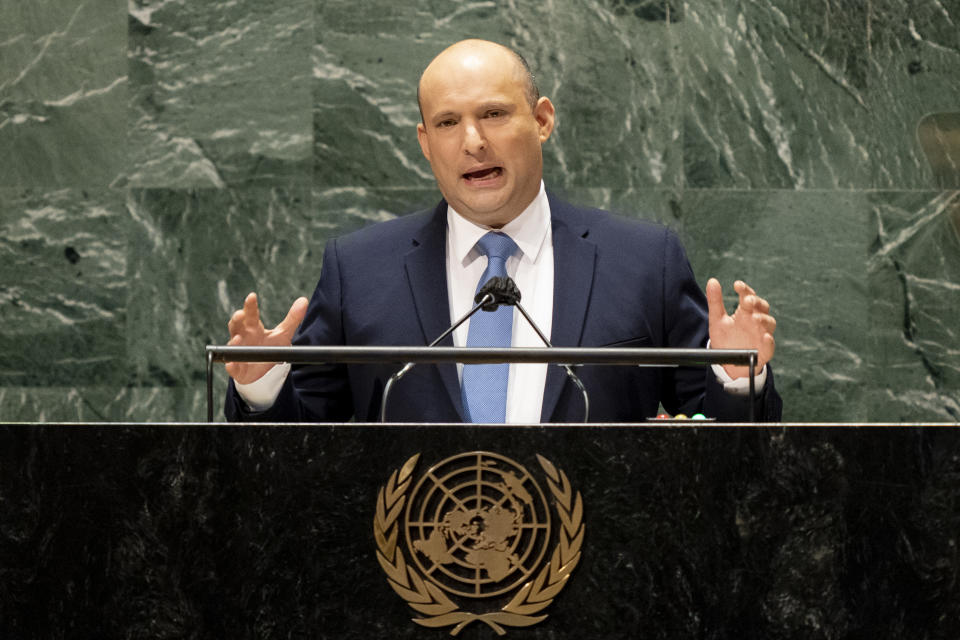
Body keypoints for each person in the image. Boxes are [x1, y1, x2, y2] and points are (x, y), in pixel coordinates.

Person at [224, 39, 781, 423]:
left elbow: (724, 449)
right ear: (424, 143)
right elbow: (293, 453)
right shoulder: (360, 270)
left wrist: (736, 380)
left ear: (541, 120)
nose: (472, 141)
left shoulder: (642, 261)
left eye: (493, 114)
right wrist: (259, 388)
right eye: (447, 123)